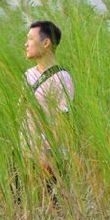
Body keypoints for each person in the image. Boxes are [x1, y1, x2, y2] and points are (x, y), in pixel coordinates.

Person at [22, 20, 75, 177]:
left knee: (50, 202)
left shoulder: (62, 78)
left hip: (48, 160)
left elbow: (63, 123)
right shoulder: (27, 75)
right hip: (25, 155)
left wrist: (48, 157)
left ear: (46, 43)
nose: (26, 44)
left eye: (31, 39)